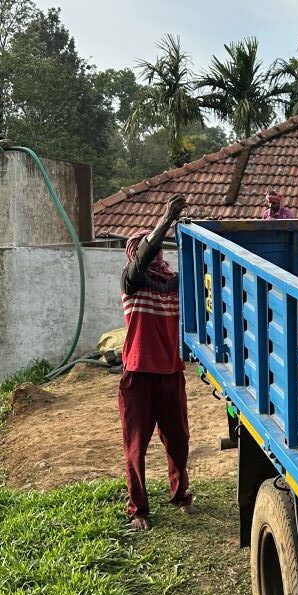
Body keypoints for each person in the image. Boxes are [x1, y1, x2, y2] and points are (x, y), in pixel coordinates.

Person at [119, 193, 193, 531]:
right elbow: (143, 256)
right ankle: (139, 509)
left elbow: (197, 270)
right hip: (138, 375)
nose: (155, 255)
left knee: (178, 440)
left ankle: (180, 495)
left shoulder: (174, 284)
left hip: (171, 372)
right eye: (149, 249)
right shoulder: (131, 282)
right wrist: (164, 221)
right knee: (136, 446)